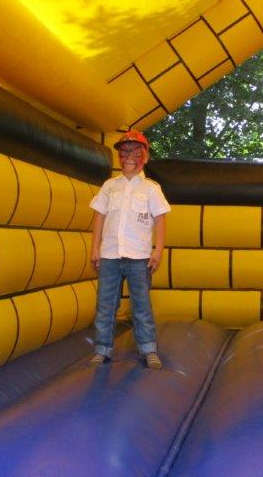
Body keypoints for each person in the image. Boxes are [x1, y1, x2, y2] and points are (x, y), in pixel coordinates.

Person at [89, 130, 170, 370]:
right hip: (110, 255)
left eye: (135, 152)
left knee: (141, 305)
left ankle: (149, 349)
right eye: (125, 152)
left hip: (139, 257)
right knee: (106, 305)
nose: (129, 157)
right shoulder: (109, 186)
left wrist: (158, 250)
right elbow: (99, 217)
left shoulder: (151, 188)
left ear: (145, 156)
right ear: (119, 156)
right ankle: (102, 349)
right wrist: (95, 248)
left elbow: (160, 220)